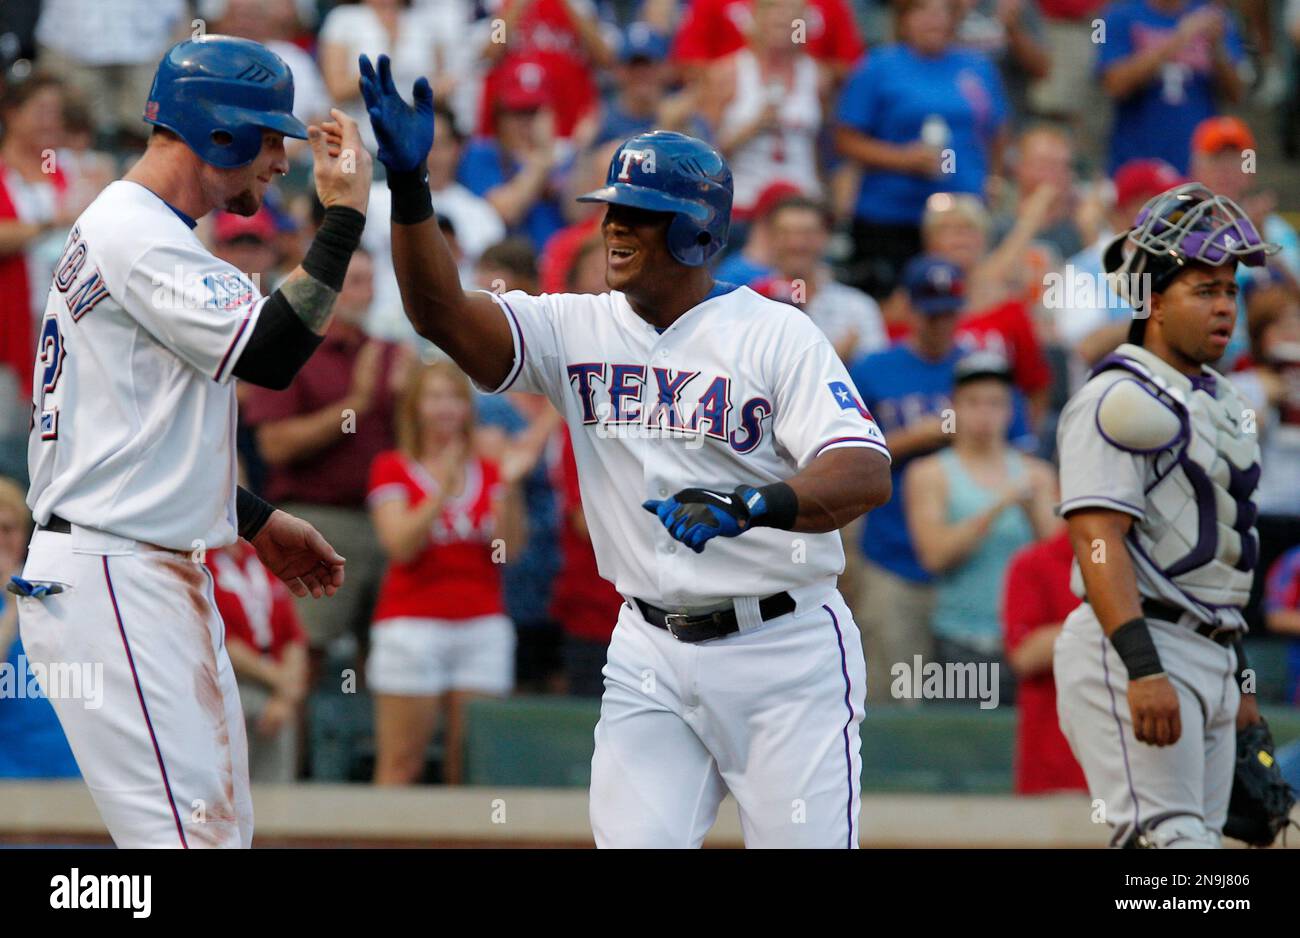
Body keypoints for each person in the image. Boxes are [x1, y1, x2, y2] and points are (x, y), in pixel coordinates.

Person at [361, 55, 892, 847]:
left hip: (783, 650)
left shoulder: (774, 331)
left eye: (639, 213)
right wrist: (410, 189)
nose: (614, 225)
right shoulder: (577, 323)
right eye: (612, 206)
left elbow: (865, 470)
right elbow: (440, 315)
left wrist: (752, 505)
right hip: (647, 644)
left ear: (697, 229)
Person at [16, 35, 371, 848]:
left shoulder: (141, 227)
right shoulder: (137, 231)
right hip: (117, 572)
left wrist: (248, 518)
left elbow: (135, 435)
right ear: (220, 132)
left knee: (208, 838)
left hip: (131, 561)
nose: (280, 161)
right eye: (270, 137)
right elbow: (273, 355)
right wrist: (344, 214)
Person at [1053, 182, 1277, 847]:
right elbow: (1097, 540)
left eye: (1231, 291)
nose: (1225, 308)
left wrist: (1237, 683)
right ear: (1152, 300)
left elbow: (1219, 563)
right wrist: (1143, 666)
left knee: (1189, 848)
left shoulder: (1212, 396)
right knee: (1171, 847)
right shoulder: (1116, 397)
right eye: (1203, 291)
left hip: (1208, 646)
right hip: (1136, 642)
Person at [243, 249, 409, 673]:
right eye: (354, 281)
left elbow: (415, 445)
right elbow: (274, 446)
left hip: (389, 520)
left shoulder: (393, 354)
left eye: (371, 281)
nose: (365, 293)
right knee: (306, 653)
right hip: (316, 518)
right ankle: (295, 740)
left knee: (394, 655)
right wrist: (354, 406)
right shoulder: (291, 349)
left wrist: (409, 402)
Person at [367, 361, 531, 784]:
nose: (446, 409)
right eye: (434, 397)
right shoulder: (392, 467)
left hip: (482, 625)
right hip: (411, 626)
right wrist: (443, 487)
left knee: (473, 767)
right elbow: (400, 546)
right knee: (402, 763)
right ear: (415, 407)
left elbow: (508, 551)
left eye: (455, 397)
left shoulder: (492, 469)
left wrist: (510, 487)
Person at [904, 352, 1058, 707]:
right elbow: (935, 556)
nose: (984, 414)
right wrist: (999, 504)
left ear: (1011, 410)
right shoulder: (930, 474)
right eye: (973, 403)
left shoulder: (1037, 474)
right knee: (960, 753)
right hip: (959, 637)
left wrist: (1034, 510)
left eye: (995, 403)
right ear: (954, 408)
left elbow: (1057, 558)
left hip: (1025, 641)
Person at [835, 0, 1008, 298]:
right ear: (904, 19)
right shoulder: (878, 66)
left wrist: (993, 177)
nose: (934, 21)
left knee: (959, 300)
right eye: (923, 12)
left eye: (942, 12)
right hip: (891, 215)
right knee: (895, 304)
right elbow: (846, 138)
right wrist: (902, 159)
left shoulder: (977, 68)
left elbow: (998, 131)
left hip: (960, 214)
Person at [364, 102, 506, 340]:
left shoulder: (483, 217)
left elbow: (497, 288)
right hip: (379, 334)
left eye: (438, 145)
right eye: (419, 144)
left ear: (457, 148)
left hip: (455, 341)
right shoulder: (371, 201)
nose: (428, 155)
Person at [1095, 0, 1245, 174]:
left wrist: (1217, 48)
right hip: (1136, 162)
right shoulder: (1121, 15)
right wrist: (1179, 39)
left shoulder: (1213, 16)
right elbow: (1114, 85)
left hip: (1197, 161)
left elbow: (1236, 94)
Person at [709, 0, 827, 219]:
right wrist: (752, 127)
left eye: (790, 22)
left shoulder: (817, 76)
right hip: (741, 202)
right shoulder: (728, 73)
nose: (781, 28)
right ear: (755, 24)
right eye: (774, 21)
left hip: (802, 203)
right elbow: (705, 150)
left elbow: (821, 147)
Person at [206, 537, 309, 783]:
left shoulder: (260, 557)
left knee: (276, 789)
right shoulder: (199, 559)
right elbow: (216, 635)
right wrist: (283, 681)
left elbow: (293, 636)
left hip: (273, 691)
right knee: (224, 790)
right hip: (224, 684)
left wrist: (285, 696)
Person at [0, 475, 78, 779]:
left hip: (68, 767)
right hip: (9, 772)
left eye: (9, 529)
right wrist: (9, 610)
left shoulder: (54, 593)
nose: (2, 540)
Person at [1001, 525, 1088, 795]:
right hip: (1056, 772)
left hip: (1133, 770)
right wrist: (1109, 618)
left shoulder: (1144, 568)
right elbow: (1024, 655)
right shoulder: (1034, 563)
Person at [750, 195, 887, 362]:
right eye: (785, 233)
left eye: (808, 234)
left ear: (825, 237)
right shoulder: (751, 302)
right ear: (771, 238)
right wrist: (835, 358)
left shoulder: (858, 308)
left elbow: (875, 378)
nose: (796, 244)